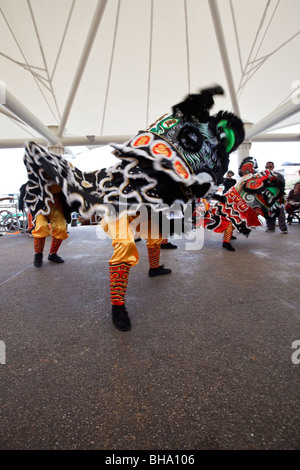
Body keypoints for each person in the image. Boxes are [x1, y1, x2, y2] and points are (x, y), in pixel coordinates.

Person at [20, 176, 71, 268]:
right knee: (41, 226)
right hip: (40, 205)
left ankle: (52, 254)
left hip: (56, 203)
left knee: (61, 228)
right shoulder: (35, 177)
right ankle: (38, 255)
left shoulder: (59, 175)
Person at [264, 161, 288, 233]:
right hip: (268, 197)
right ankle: (270, 227)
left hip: (278, 197)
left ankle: (283, 228)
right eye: (267, 167)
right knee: (269, 213)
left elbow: (282, 185)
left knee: (280, 213)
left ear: (273, 167)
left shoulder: (278, 175)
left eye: (270, 166)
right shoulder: (263, 176)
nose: (268, 168)